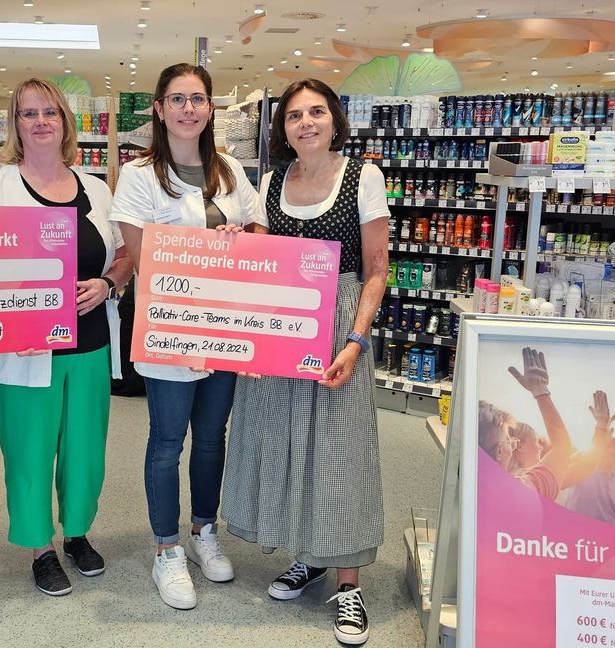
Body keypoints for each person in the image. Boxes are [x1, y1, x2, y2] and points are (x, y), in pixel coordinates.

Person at [217, 79, 386, 645]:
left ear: (335, 120)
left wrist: (356, 342)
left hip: (338, 329)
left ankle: (350, 584)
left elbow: (376, 271)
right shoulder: (271, 182)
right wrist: (238, 245)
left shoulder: (363, 178)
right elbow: (263, 262)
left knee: (340, 451)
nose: (306, 122)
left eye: (316, 112)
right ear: (282, 128)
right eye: (294, 115)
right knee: (289, 443)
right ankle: (309, 556)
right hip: (286, 330)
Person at [0, 78, 133, 597]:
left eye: (50, 113)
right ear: (15, 125)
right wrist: (9, 313)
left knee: (86, 449)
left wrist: (108, 282)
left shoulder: (97, 187)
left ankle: (78, 533)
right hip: (26, 349)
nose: (40, 121)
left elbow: (125, 256)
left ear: (65, 122)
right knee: (30, 448)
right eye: (28, 113)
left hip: (88, 343)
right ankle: (40, 546)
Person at [110, 63, 260, 611]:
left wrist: (237, 236)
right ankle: (166, 549)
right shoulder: (139, 175)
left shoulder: (230, 171)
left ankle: (203, 531)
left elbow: (259, 234)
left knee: (213, 436)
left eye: (198, 98)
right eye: (177, 99)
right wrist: (203, 246)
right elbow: (142, 254)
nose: (188, 109)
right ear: (159, 108)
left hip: (224, 328)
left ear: (211, 108)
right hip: (172, 330)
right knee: (167, 442)